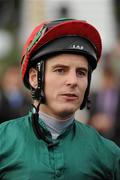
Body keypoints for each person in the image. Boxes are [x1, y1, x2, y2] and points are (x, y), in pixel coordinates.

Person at [0, 18, 120, 180]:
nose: (73, 81)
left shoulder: (108, 154)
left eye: (81, 73)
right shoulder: (3, 141)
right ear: (35, 78)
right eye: (60, 70)